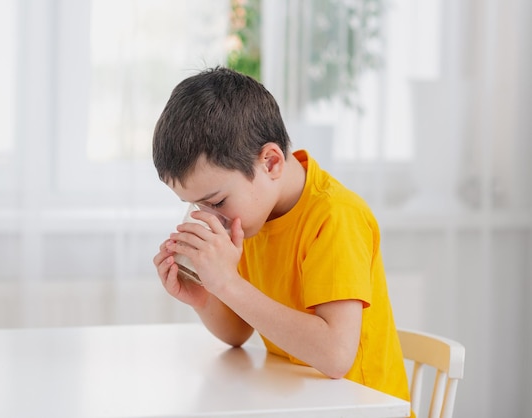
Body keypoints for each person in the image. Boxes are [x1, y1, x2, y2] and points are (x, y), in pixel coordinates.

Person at [152, 66, 410, 403]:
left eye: (215, 201)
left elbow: (335, 355)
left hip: (361, 407)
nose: (208, 217)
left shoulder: (334, 216)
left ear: (271, 163)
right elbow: (237, 333)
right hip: (301, 403)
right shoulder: (253, 213)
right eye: (194, 205)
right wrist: (205, 297)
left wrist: (229, 284)